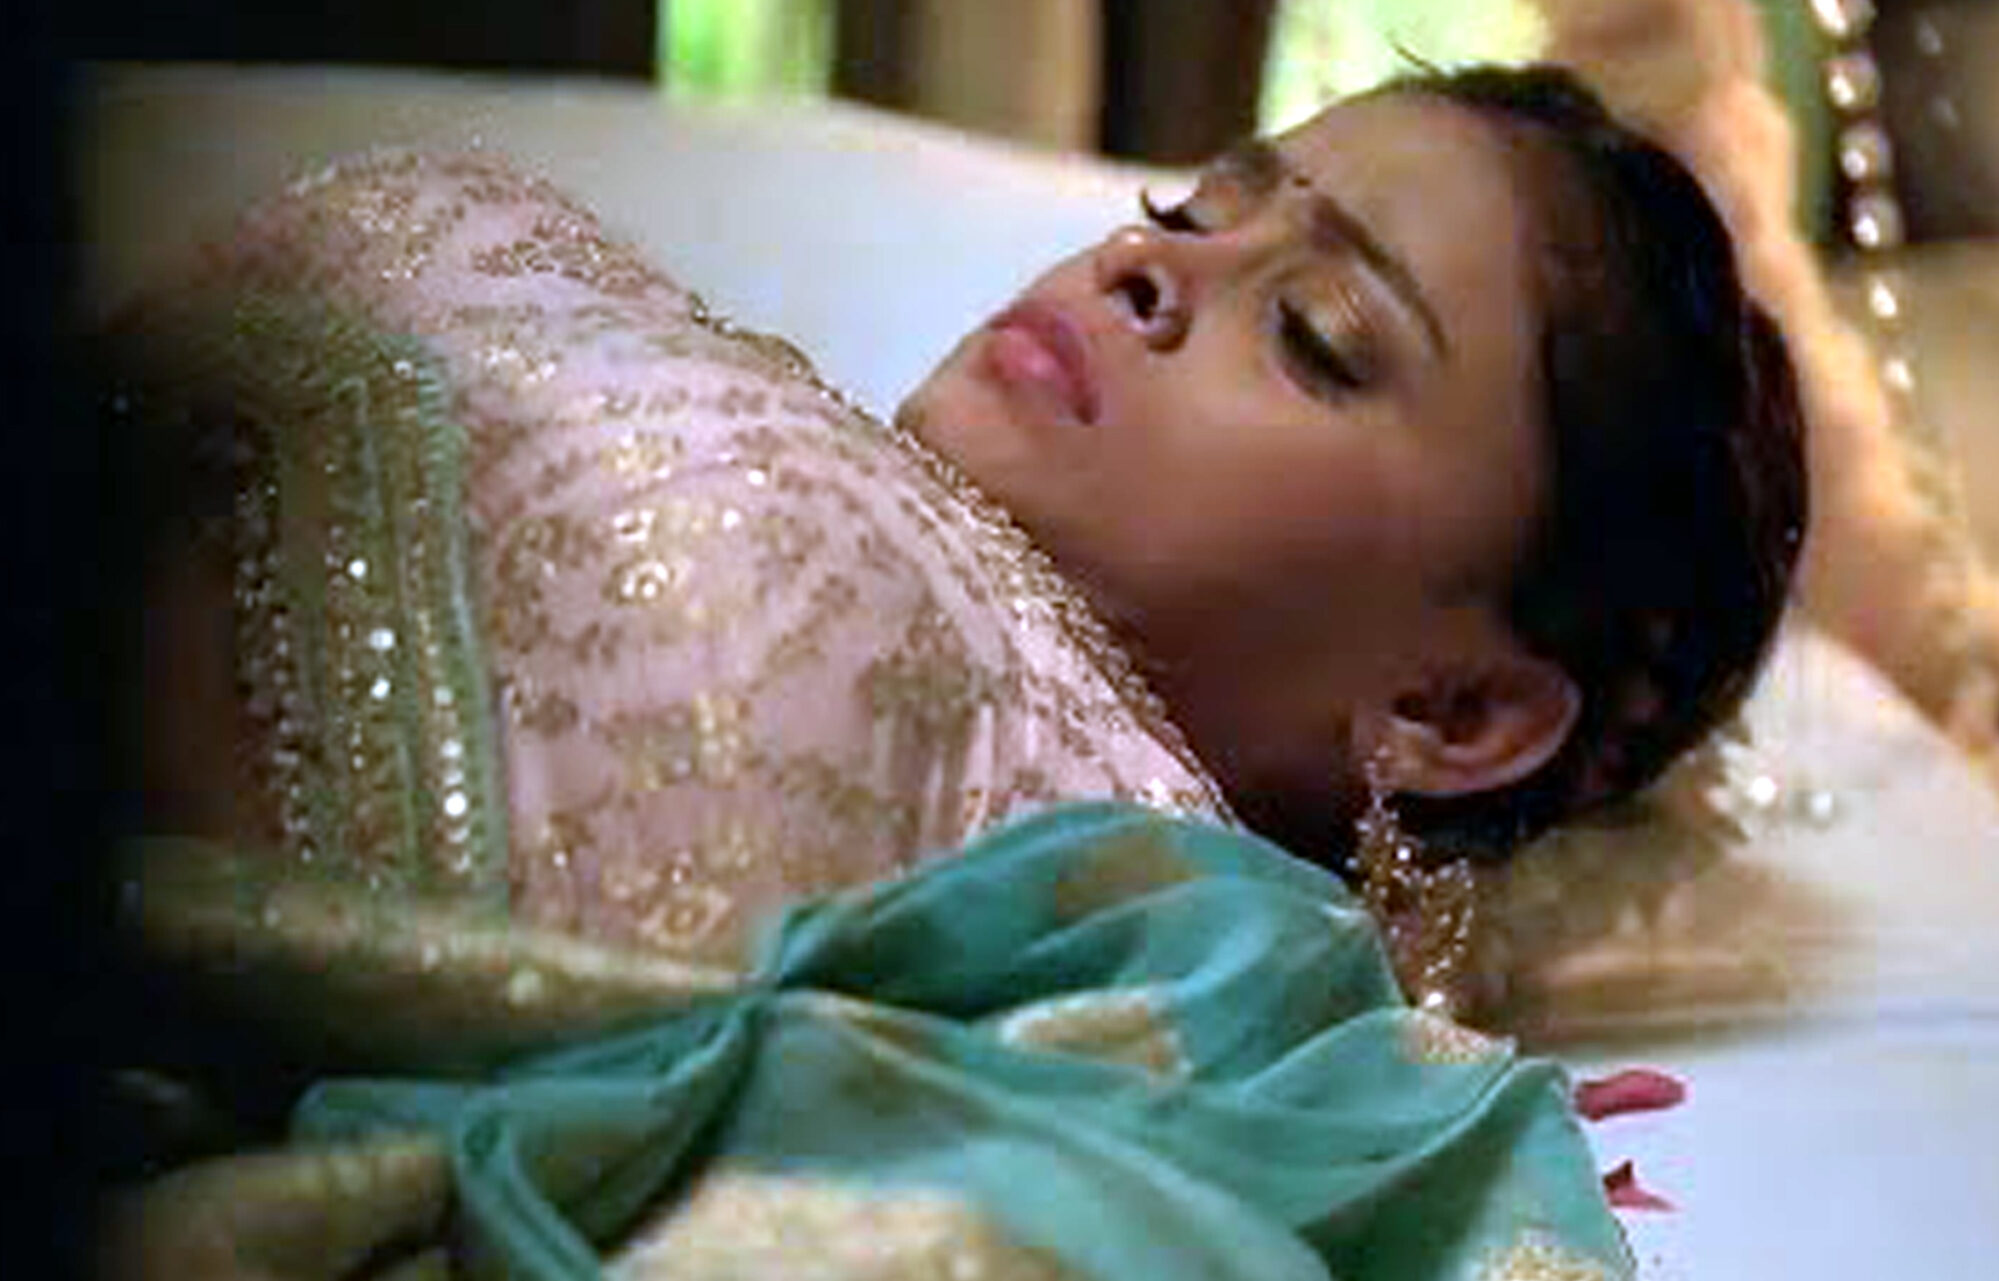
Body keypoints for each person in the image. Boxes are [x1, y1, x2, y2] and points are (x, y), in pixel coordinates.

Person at [95, 62, 1803, 1280]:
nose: (1150, 265)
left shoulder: (1186, 1012)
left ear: (1452, 710)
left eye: (1318, 335)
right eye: (1191, 208)